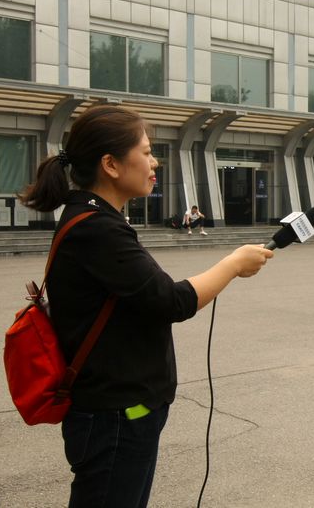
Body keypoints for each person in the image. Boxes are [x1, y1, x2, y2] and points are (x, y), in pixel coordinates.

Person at [19, 104, 273, 508]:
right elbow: (170, 301)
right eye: (146, 151)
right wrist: (232, 265)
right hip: (116, 416)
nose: (154, 162)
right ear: (111, 164)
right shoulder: (96, 229)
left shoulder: (97, 219)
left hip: (120, 412)